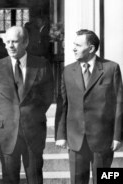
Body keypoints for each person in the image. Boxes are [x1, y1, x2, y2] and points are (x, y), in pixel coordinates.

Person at [55, 29, 123, 184]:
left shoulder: (111, 69)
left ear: (91, 48)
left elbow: (120, 104)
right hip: (76, 140)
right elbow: (63, 105)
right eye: (74, 45)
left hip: (103, 140)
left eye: (78, 45)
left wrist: (117, 136)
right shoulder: (68, 71)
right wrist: (61, 135)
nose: (73, 48)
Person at [0, 26, 54, 184]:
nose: (10, 46)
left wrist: (30, 114)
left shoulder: (41, 64)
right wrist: (11, 114)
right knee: (9, 177)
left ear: (25, 43)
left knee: (35, 177)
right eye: (7, 42)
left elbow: (47, 97)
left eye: (15, 42)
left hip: (34, 128)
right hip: (8, 130)